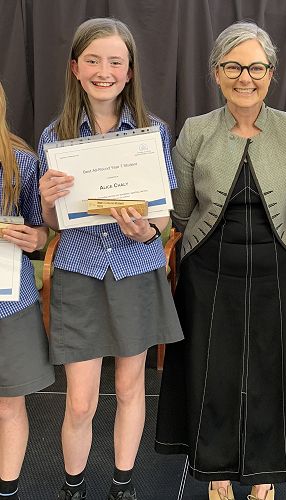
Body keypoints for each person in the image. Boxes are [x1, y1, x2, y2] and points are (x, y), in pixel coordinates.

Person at [155, 21, 286, 500]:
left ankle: (266, 469)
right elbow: (182, 210)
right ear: (216, 72)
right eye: (233, 65)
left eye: (255, 66)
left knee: (274, 369)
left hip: (280, 268)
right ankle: (216, 472)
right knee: (214, 370)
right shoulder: (196, 131)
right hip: (208, 270)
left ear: (271, 73)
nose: (244, 76)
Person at [37, 18, 183, 500]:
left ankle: (123, 486)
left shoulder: (152, 133)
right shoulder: (53, 137)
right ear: (75, 68)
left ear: (130, 71)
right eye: (94, 61)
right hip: (80, 274)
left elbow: (164, 216)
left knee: (129, 388)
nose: (105, 71)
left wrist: (148, 230)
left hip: (136, 271)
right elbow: (54, 225)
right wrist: (46, 198)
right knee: (79, 402)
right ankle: (72, 488)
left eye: (115, 62)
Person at [0, 80, 55, 500]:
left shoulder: (19, 160)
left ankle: (8, 490)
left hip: (8, 301)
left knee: (8, 403)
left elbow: (42, 235)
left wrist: (32, 239)